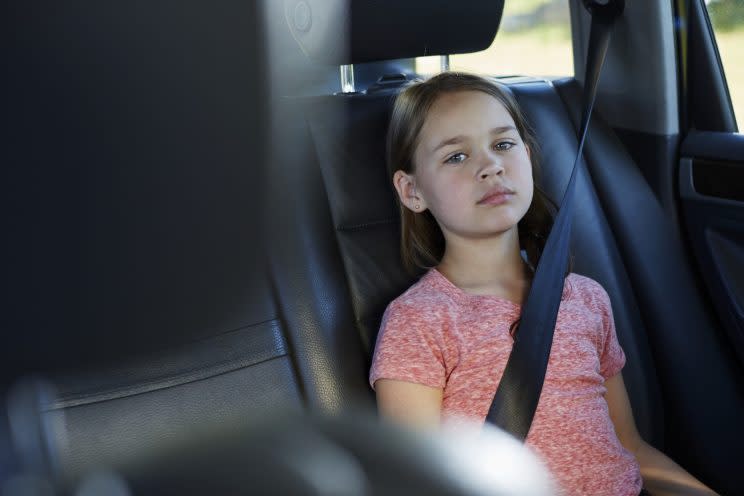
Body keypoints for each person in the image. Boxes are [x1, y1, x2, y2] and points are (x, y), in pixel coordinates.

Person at [369, 72, 716, 496]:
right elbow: (414, 484)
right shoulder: (418, 322)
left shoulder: (585, 298)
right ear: (411, 191)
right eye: (456, 156)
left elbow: (632, 450)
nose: (490, 165)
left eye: (503, 144)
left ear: (528, 158)